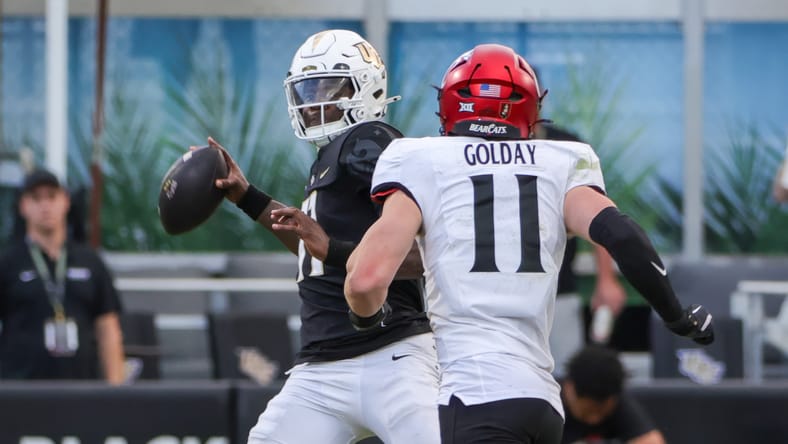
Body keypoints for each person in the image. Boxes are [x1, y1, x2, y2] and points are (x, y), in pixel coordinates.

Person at [344, 43, 714, 443]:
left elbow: (366, 280)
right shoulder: (562, 160)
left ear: (449, 104)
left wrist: (365, 318)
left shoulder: (416, 158)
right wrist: (676, 315)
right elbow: (621, 234)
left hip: (473, 394)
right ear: (529, 107)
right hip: (541, 401)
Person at [209, 30, 439, 443]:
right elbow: (313, 250)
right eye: (307, 88)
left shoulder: (369, 141)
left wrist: (334, 251)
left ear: (366, 86)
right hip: (321, 368)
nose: (314, 102)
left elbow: (428, 251)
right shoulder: (332, 157)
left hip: (392, 352)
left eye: (328, 86)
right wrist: (248, 198)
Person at [0, 169, 125, 384]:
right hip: (20, 392)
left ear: (65, 201)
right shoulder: (8, 262)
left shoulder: (90, 261)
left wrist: (116, 390)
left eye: (51, 196)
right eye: (36, 198)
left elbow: (108, 329)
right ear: (23, 206)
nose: (45, 205)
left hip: (82, 391)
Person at [536, 122, 627, 376]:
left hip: (559, 287)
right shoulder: (482, 144)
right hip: (498, 290)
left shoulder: (566, 146)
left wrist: (607, 279)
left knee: (567, 376)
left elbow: (597, 211)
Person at [561, 346, 665, 444]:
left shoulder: (616, 399)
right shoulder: (550, 406)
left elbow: (651, 440)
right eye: (587, 412)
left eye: (601, 411)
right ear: (570, 389)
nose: (594, 420)